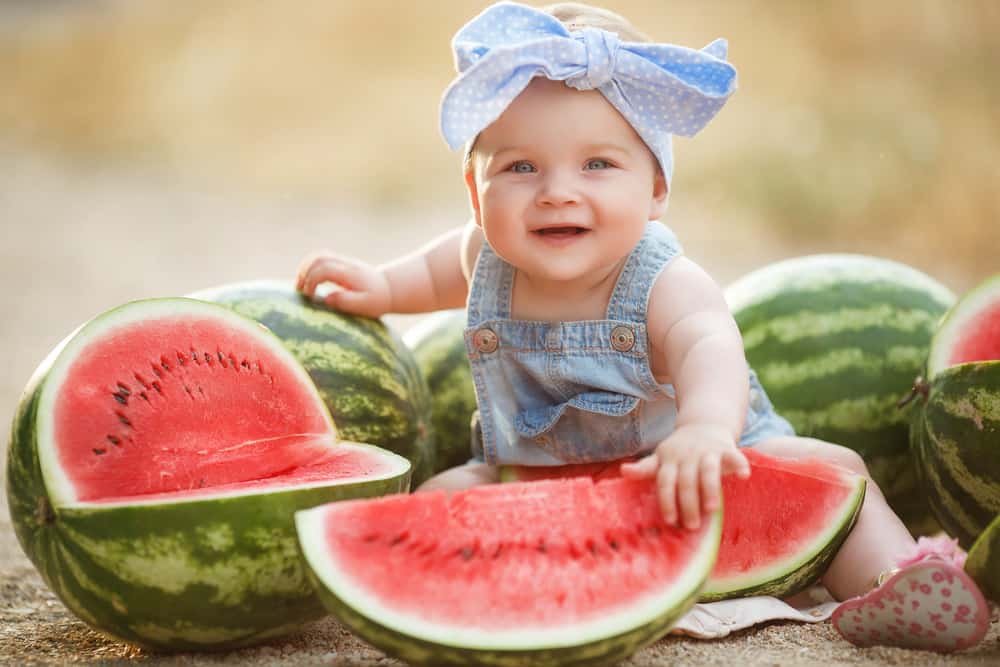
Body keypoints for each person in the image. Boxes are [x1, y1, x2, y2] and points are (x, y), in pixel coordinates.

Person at [296, 1, 989, 652]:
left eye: (598, 164)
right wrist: (382, 286)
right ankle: (457, 598)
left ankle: (893, 580)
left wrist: (706, 431)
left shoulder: (662, 280)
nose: (558, 190)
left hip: (696, 471)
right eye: (520, 167)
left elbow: (708, 345)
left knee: (840, 476)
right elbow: (438, 270)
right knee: (439, 497)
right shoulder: (486, 254)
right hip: (537, 479)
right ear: (477, 196)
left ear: (656, 188)